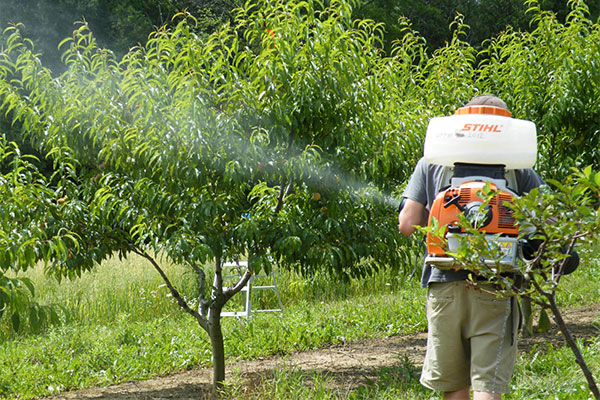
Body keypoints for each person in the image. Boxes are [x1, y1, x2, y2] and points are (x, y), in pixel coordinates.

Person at [398, 95, 545, 400]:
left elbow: (407, 224)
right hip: (496, 285)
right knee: (486, 386)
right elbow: (549, 223)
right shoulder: (518, 168)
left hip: (445, 284)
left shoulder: (432, 162)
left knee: (454, 387)